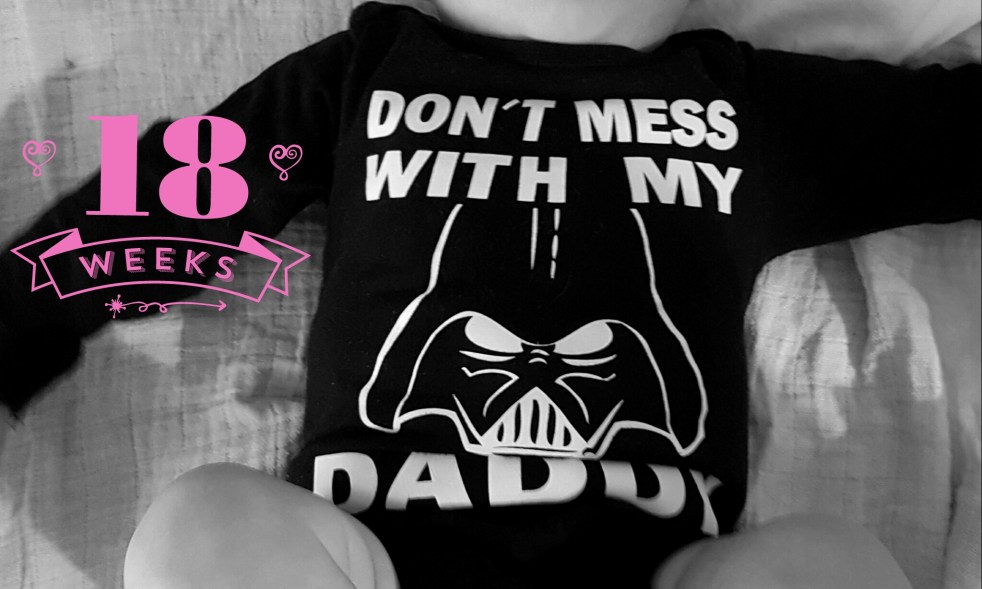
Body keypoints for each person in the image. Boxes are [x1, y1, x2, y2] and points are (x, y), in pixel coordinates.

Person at [1, 0, 978, 587]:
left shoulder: (732, 102)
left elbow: (944, 137)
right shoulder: (370, 69)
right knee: (197, 529)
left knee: (834, 566)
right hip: (368, 549)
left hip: (661, 562)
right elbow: (175, 196)